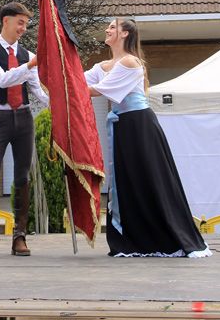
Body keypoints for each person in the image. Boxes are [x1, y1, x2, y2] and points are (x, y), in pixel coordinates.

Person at [85, 18, 211, 258]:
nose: (107, 30)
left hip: (139, 125)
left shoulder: (130, 62)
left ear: (125, 34)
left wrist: (67, 86)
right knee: (128, 181)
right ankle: (135, 238)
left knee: (150, 178)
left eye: (112, 27)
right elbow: (80, 81)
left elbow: (97, 90)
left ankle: (167, 236)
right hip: (123, 127)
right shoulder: (103, 65)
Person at [0, 2, 49, 257]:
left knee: (22, 178)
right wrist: (30, 65)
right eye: (20, 23)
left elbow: (36, 90)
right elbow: (3, 79)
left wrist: (60, 105)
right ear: (6, 21)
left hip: (23, 118)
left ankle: (20, 236)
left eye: (26, 24)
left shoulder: (26, 54)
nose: (24, 28)